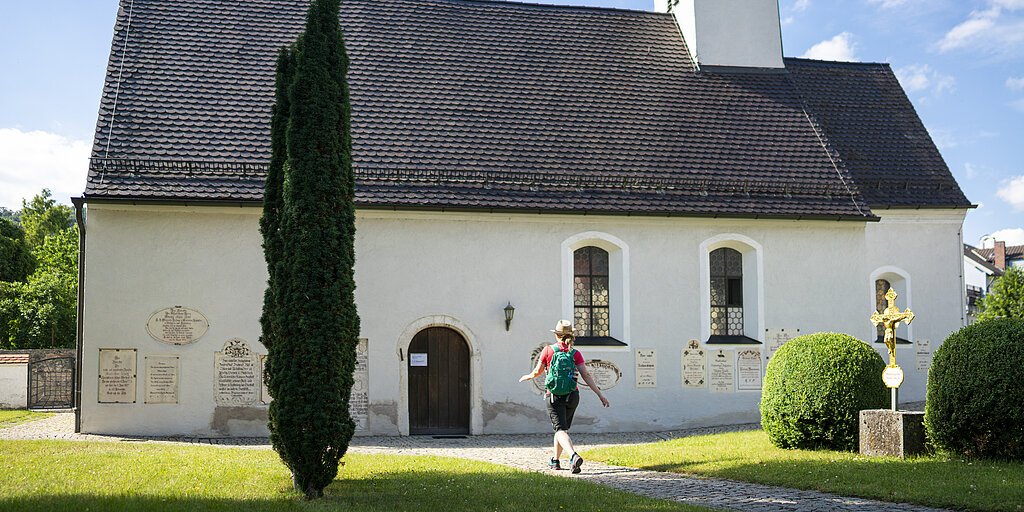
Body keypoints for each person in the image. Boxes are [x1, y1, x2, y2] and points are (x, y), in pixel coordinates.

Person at [519, 319, 610, 473]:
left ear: (557, 335)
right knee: (562, 429)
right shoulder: (575, 353)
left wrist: (528, 376)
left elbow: (537, 372)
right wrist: (600, 395)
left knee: (560, 429)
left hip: (554, 396)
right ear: (571, 336)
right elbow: (586, 375)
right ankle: (555, 461)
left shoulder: (548, 350)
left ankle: (573, 456)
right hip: (572, 396)